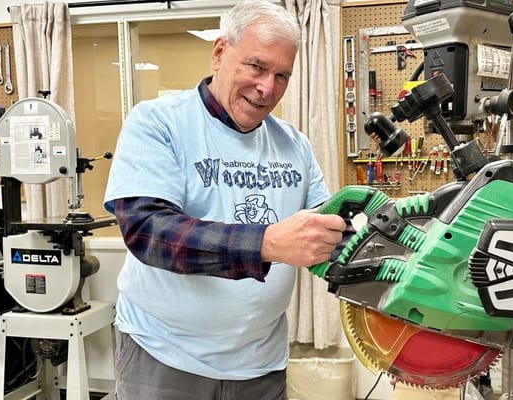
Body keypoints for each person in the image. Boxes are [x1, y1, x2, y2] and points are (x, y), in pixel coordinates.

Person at [103, 1, 346, 399]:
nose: (268, 87)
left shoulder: (294, 145)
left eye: (282, 75)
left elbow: (329, 229)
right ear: (219, 53)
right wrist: (267, 243)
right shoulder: (158, 122)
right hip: (165, 355)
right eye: (256, 66)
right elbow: (148, 231)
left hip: (261, 363)